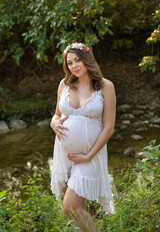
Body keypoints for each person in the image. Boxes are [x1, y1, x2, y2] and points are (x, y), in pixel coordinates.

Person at [50, 42, 116, 232]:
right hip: (66, 156)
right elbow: (56, 115)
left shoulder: (105, 86)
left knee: (70, 205)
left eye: (78, 60)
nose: (75, 66)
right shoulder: (64, 84)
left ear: (88, 59)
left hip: (90, 155)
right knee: (76, 207)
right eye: (70, 63)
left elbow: (109, 127)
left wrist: (88, 156)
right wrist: (54, 123)